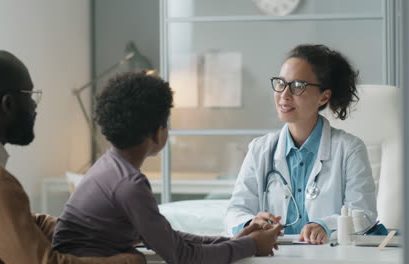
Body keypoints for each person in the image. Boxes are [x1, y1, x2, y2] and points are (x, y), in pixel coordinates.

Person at [52, 71, 282, 264]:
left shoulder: (108, 166)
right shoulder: (128, 185)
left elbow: (168, 238)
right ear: (157, 132)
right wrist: (250, 246)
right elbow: (181, 255)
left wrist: (237, 242)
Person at [0, 49, 145, 264]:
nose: (34, 107)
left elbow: (15, 223)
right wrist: (130, 261)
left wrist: (85, 229)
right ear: (8, 104)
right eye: (29, 96)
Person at [225, 44, 377, 245]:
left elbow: (363, 215)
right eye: (281, 83)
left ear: (324, 96)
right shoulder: (260, 149)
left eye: (297, 86)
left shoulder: (349, 149)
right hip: (275, 256)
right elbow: (235, 210)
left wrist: (325, 225)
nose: (284, 95)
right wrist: (250, 223)